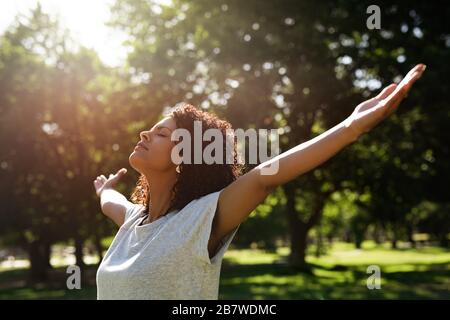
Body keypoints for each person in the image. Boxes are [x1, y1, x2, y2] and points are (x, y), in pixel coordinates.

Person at [93, 64, 426, 299]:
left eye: (162, 133)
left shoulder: (199, 220)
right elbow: (114, 204)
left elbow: (267, 176)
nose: (145, 133)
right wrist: (106, 191)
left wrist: (351, 127)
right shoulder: (134, 222)